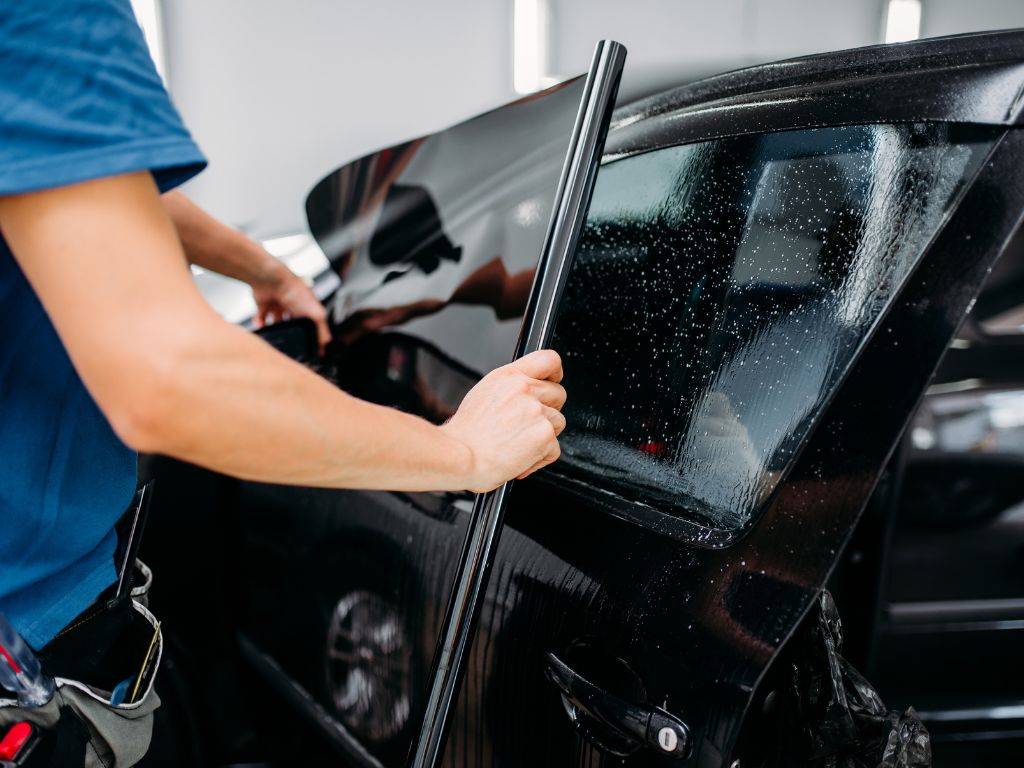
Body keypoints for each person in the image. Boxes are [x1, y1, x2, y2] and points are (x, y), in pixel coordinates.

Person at [0, 1, 565, 763]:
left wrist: (263, 270)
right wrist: (461, 453)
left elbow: (86, 184)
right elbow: (169, 379)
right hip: (31, 661)